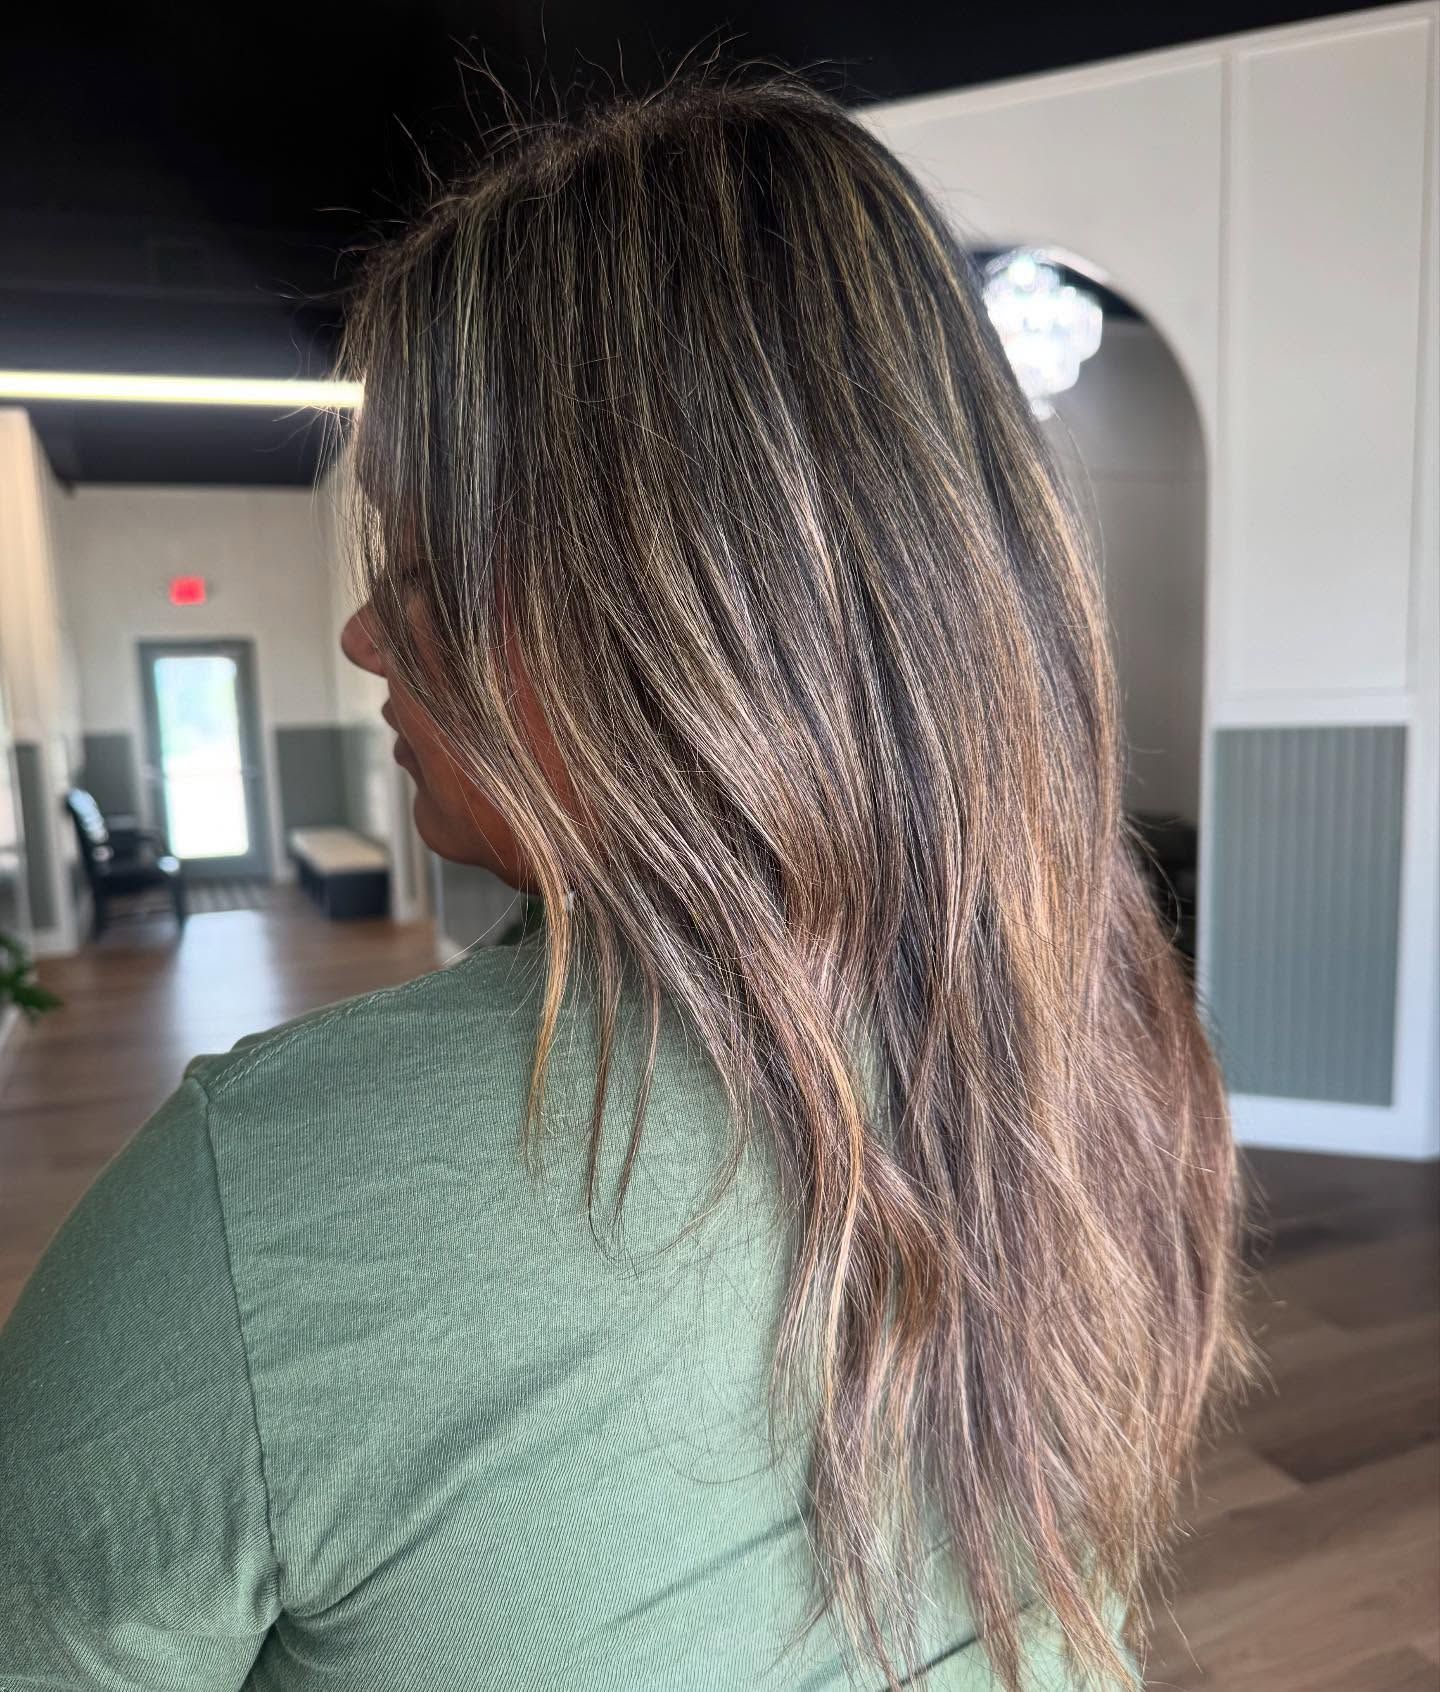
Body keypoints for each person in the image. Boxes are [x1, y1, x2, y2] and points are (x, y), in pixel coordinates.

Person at [0, 74, 1246, 1691]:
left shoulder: (262, 1208)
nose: (366, 634)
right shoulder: (1131, 1043)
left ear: (648, 611)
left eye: (421, 567)